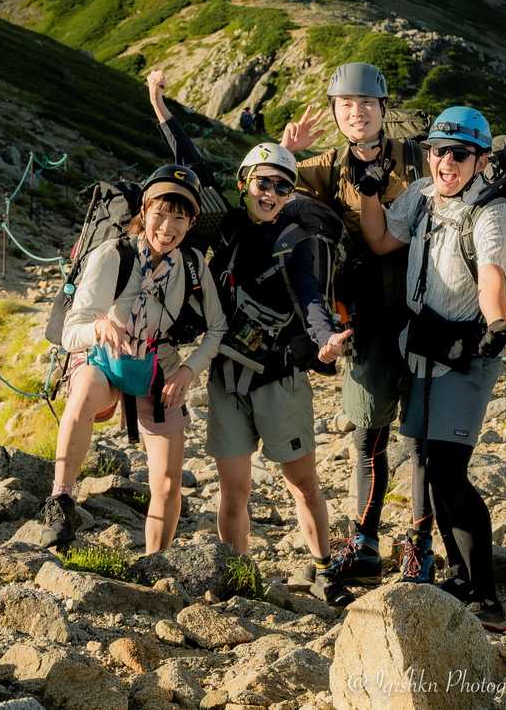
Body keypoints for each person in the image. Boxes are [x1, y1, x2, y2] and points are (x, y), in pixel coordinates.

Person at [358, 105, 506, 634]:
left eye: (459, 154)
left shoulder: (493, 212)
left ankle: (487, 597)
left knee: (448, 471)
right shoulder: (422, 196)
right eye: (437, 151)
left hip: (467, 351)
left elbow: (492, 275)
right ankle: (461, 579)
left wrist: (498, 321)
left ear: (481, 160)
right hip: (422, 348)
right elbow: (382, 240)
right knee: (427, 463)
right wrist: (369, 193)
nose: (446, 162)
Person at [280, 63, 425, 588]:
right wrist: (286, 151)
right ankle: (364, 543)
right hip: (366, 318)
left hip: (425, 313)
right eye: (346, 104)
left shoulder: (419, 157)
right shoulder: (324, 167)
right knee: (369, 433)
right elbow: (264, 192)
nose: (356, 112)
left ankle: (421, 547)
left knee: (423, 438)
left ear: (384, 109)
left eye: (365, 103)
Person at [40, 165, 226, 552]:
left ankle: (155, 561)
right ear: (144, 210)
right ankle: (60, 501)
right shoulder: (113, 255)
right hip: (103, 361)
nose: (167, 227)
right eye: (160, 213)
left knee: (168, 484)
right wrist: (99, 328)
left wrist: (188, 371)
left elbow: (218, 327)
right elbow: (71, 333)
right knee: (83, 392)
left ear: (192, 223)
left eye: (179, 217)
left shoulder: (192, 264)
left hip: (158, 367)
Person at [205, 141, 354, 602]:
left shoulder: (295, 244)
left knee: (302, 483)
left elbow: (310, 297)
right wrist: (161, 111)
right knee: (234, 491)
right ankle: (238, 577)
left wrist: (326, 339)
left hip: (278, 376)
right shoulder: (227, 228)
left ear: (290, 195)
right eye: (262, 183)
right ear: (244, 183)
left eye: (281, 187)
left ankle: (324, 570)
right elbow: (195, 164)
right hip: (227, 377)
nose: (269, 193)